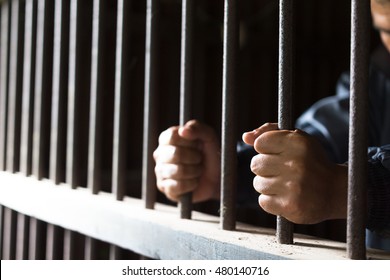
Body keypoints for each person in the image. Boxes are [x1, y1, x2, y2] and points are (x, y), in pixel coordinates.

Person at [153, 0, 390, 251]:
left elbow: (336, 180)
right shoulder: (378, 81)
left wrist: (350, 190)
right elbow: (323, 138)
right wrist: (227, 172)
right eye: (387, 30)